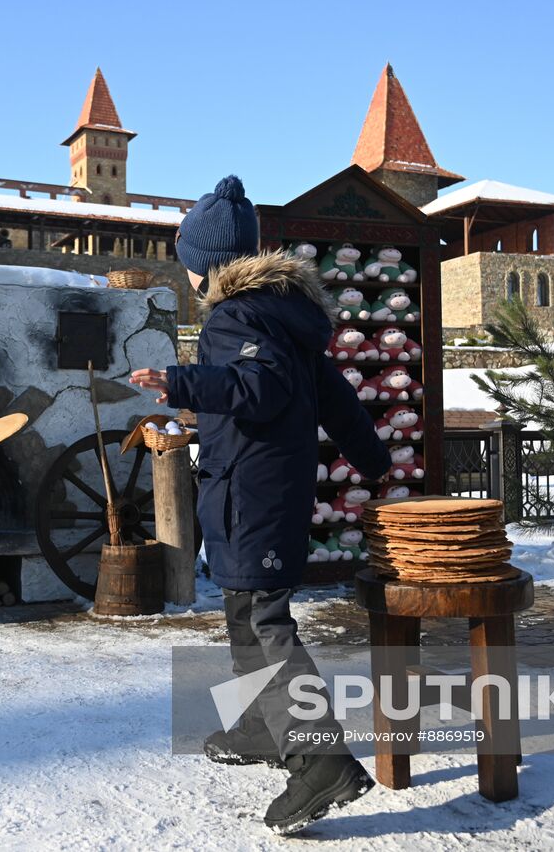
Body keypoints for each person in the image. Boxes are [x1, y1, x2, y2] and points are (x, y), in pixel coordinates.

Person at [129, 175, 391, 834]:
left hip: (254, 492)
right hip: (251, 489)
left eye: (188, 263)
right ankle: (262, 723)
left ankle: (321, 759)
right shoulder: (279, 315)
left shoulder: (236, 317)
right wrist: (376, 460)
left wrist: (181, 380)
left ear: (206, 266)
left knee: (265, 618)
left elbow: (261, 388)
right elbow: (333, 395)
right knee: (242, 609)